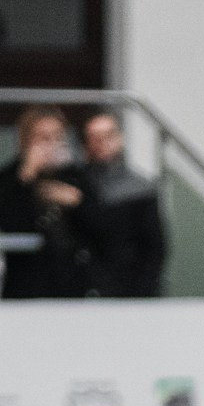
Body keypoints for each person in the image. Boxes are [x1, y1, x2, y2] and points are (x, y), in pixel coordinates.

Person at [0, 105, 90, 300]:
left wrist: (77, 202)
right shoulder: (9, 178)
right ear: (26, 141)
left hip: (71, 286)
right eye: (43, 138)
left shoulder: (76, 176)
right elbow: (8, 224)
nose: (51, 144)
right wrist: (26, 176)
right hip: (25, 286)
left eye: (57, 136)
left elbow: (98, 229)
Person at [77, 109, 168, 297]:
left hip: (132, 289)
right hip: (86, 289)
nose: (102, 143)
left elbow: (155, 248)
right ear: (85, 144)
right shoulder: (76, 186)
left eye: (108, 135)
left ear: (120, 138)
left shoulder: (140, 189)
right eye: (94, 137)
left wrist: (142, 291)